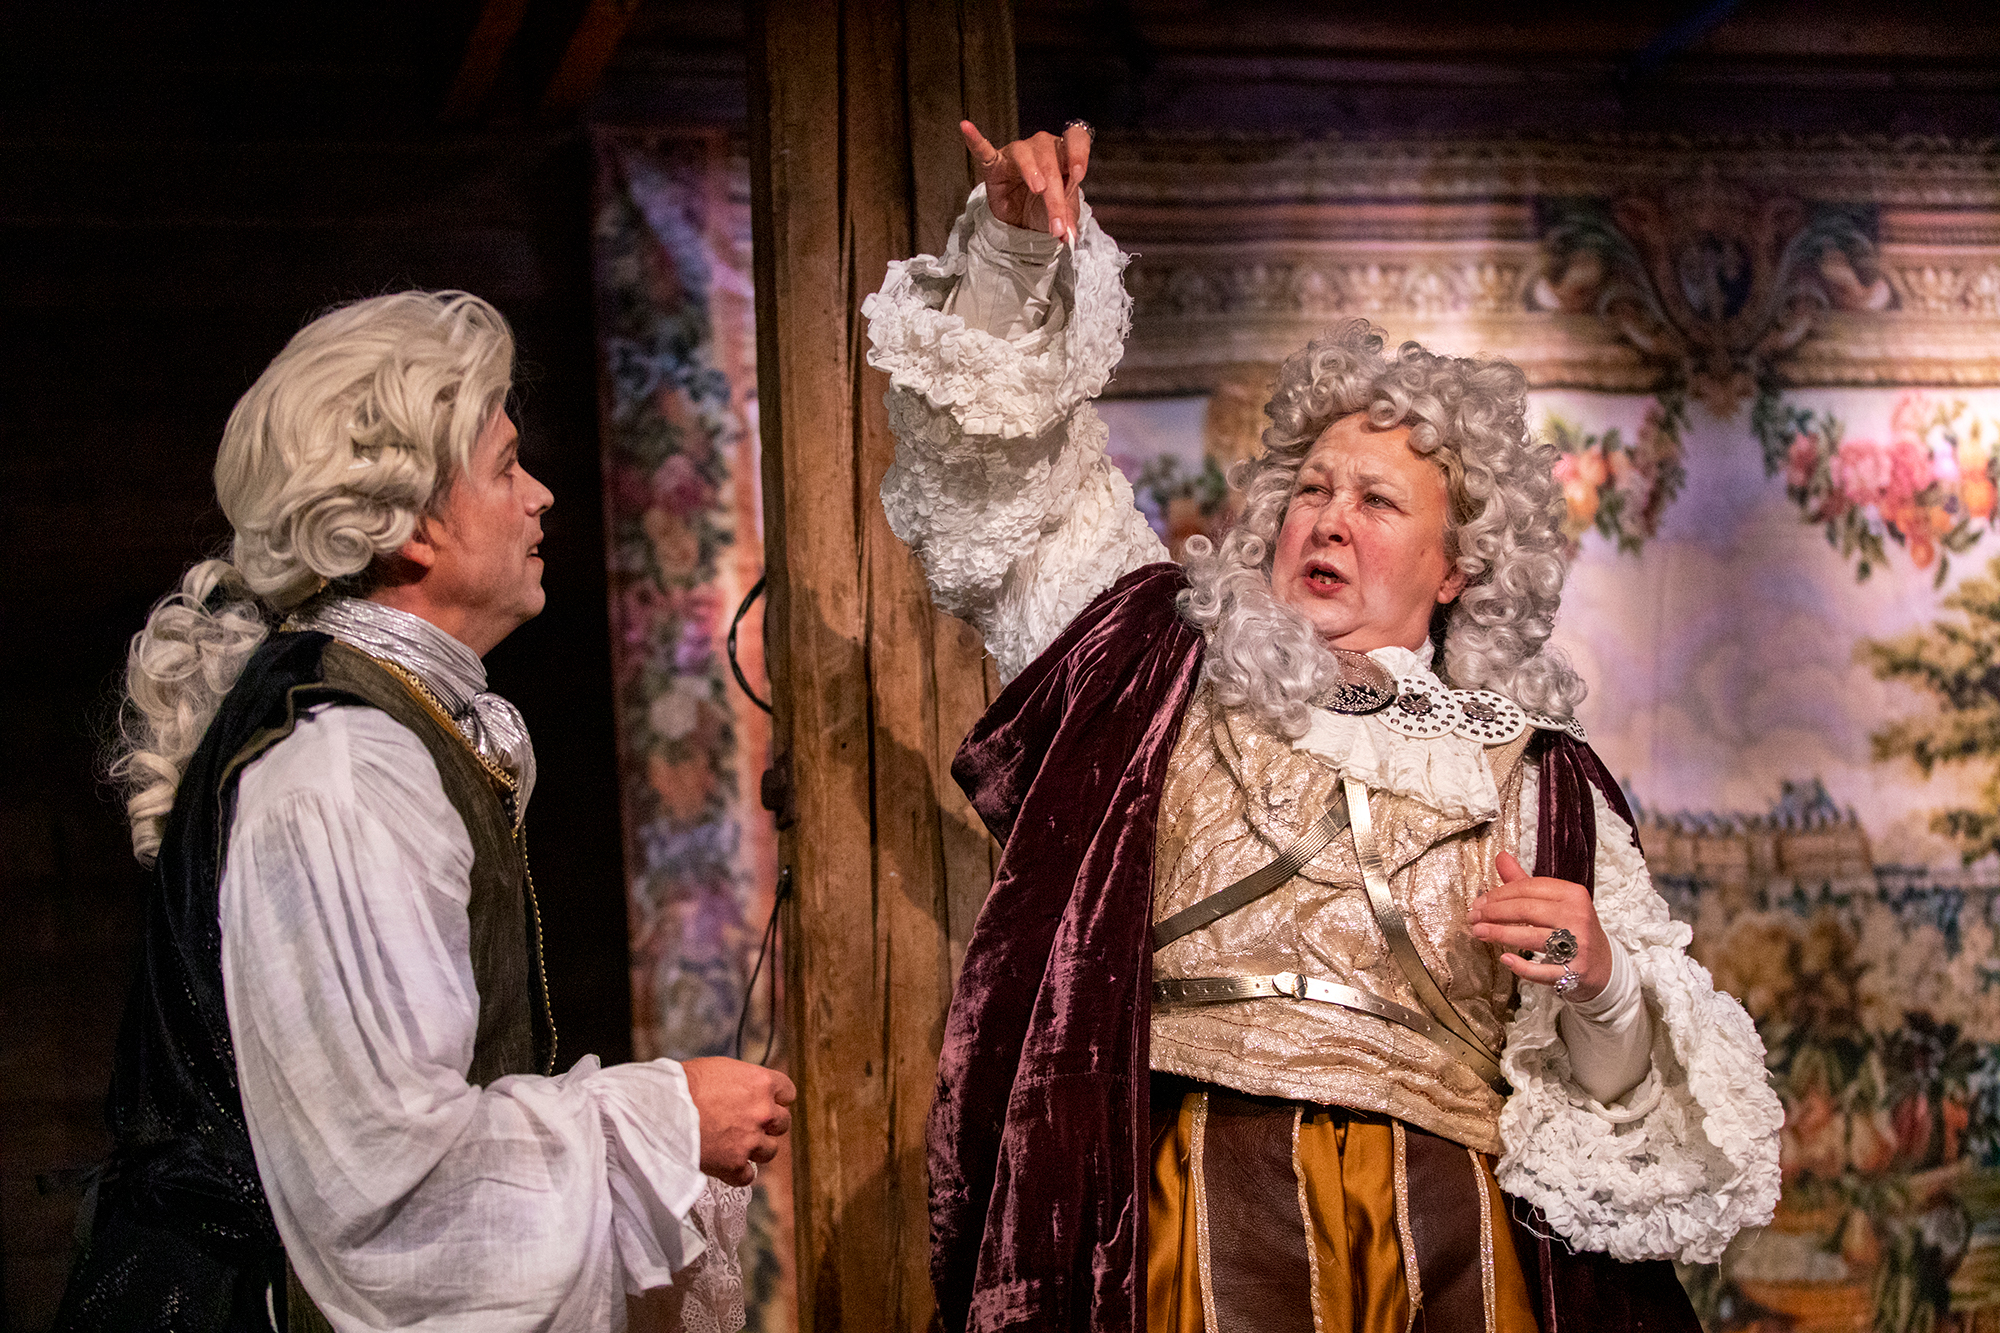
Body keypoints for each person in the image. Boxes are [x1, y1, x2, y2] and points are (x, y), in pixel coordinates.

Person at [864, 124, 1783, 1332]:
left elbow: (1612, 1097)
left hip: (1447, 1245)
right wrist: (1010, 261)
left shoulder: (1532, 775)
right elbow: (1008, 495)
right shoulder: (1155, 659)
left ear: (1455, 568)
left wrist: (1599, 982)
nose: (1329, 518)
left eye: (1376, 499)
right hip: (1190, 1212)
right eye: (1310, 488)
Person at [57, 292, 794, 1333]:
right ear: (407, 526)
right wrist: (666, 1117)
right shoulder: (347, 764)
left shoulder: (403, 726)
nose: (539, 495)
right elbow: (391, 1179)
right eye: (505, 466)